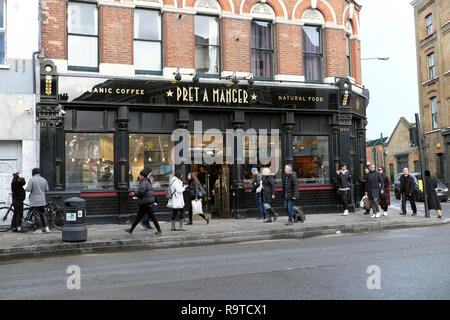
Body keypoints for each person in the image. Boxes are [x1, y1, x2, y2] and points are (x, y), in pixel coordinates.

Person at [125, 169, 161, 235]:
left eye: (140, 175)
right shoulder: (147, 181)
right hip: (146, 202)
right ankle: (131, 229)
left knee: (151, 217)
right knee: (139, 217)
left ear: (142, 176)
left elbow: (141, 191)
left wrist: (134, 193)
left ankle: (159, 230)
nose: (139, 176)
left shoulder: (143, 182)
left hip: (145, 203)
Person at [25, 168, 50, 234]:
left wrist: (25, 189)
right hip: (42, 200)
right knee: (43, 214)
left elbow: (28, 189)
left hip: (34, 200)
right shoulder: (44, 179)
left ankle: (39, 229)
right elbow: (47, 189)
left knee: (37, 215)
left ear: (33, 172)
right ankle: (47, 228)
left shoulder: (32, 179)